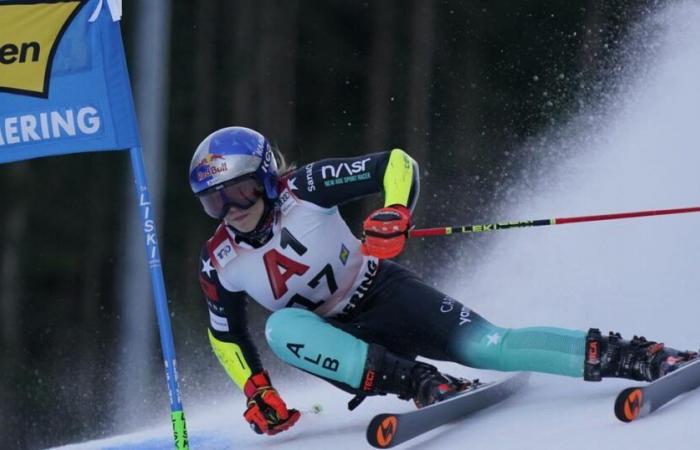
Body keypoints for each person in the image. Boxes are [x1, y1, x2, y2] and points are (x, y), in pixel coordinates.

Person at [190, 126, 696, 436]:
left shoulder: (308, 188)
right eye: (215, 201)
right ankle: (424, 384)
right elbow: (225, 334)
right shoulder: (220, 260)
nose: (231, 210)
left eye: (240, 192)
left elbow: (395, 163)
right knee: (283, 327)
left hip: (384, 292)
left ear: (268, 179)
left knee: (491, 345)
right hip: (336, 340)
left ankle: (639, 357)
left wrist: (394, 211)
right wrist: (256, 390)